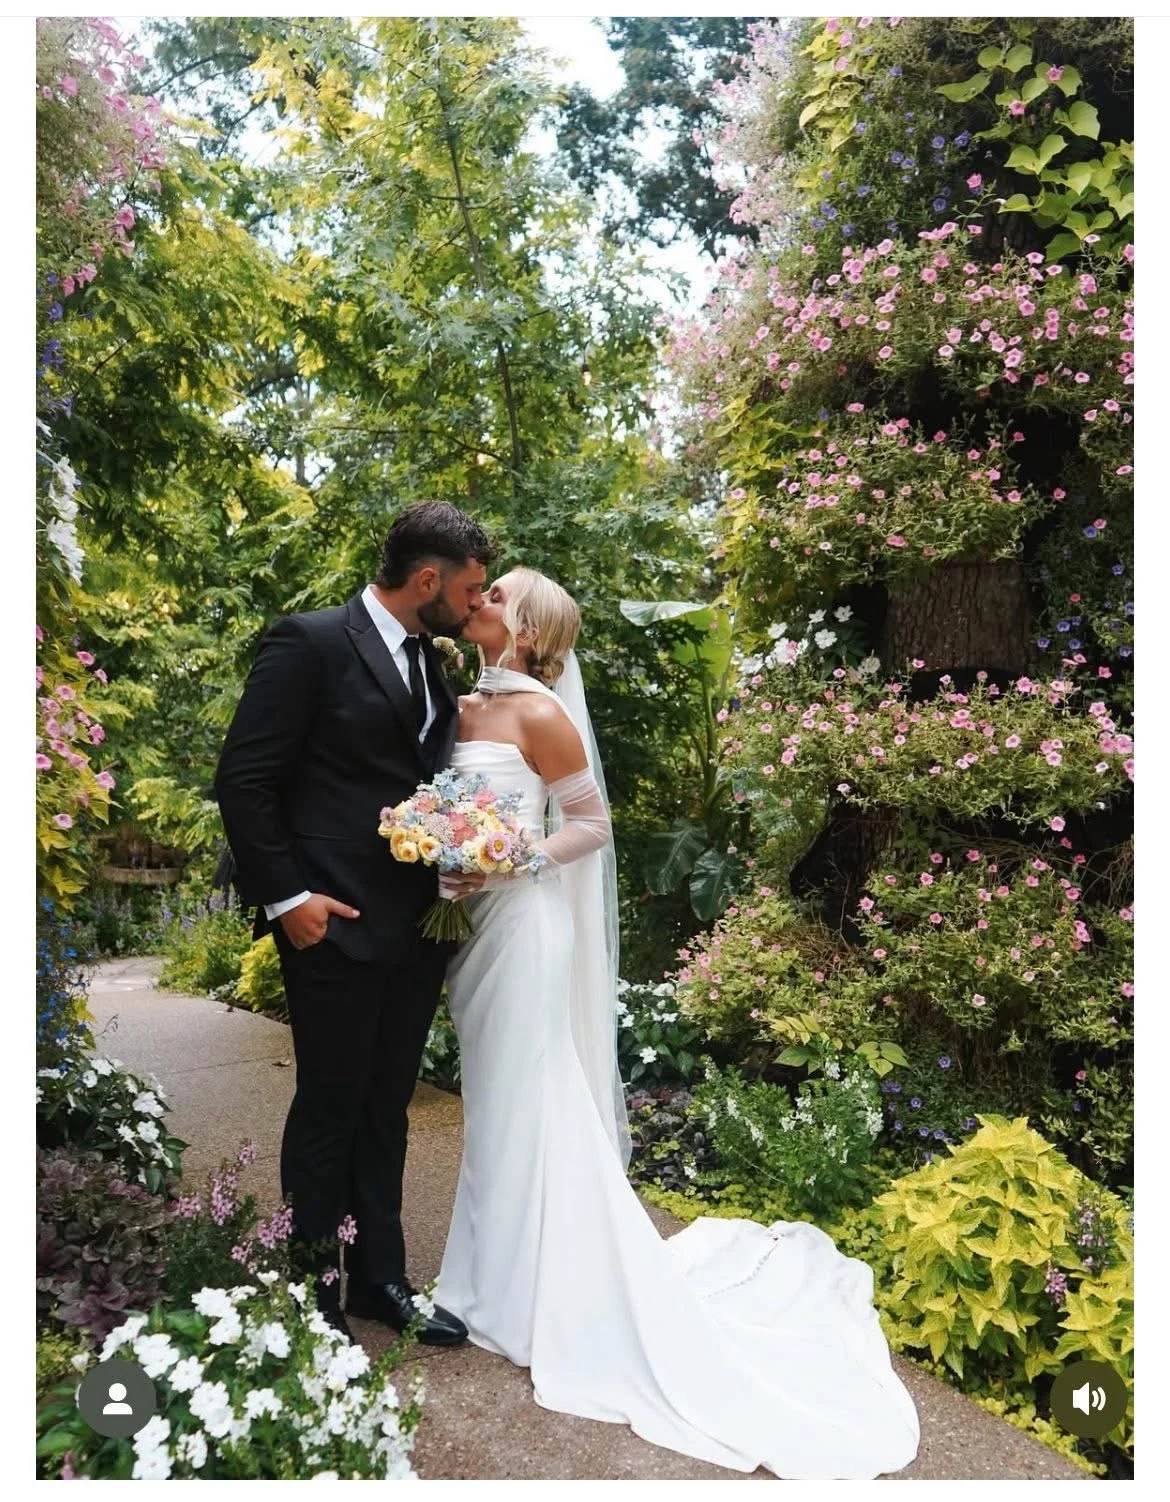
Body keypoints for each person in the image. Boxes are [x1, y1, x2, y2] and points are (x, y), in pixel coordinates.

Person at [432, 565, 922, 1479]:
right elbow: (452, 812)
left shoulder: (539, 711)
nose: (481, 601)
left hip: (528, 923)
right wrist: (452, 866)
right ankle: (483, 1280)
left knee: (531, 1097)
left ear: (530, 632)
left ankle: (520, 1293)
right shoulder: (456, 706)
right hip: (473, 928)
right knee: (492, 1103)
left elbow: (590, 824)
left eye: (498, 596)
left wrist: (513, 858)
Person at [214, 500, 496, 1343]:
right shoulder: (310, 642)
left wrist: (457, 856)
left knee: (386, 1107)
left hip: (415, 928)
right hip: (329, 921)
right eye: (470, 588)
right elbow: (245, 779)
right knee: (331, 1107)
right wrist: (289, 899)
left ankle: (381, 1280)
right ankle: (314, 1295)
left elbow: (419, 783)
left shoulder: (433, 664)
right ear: (426, 580)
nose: (475, 604)